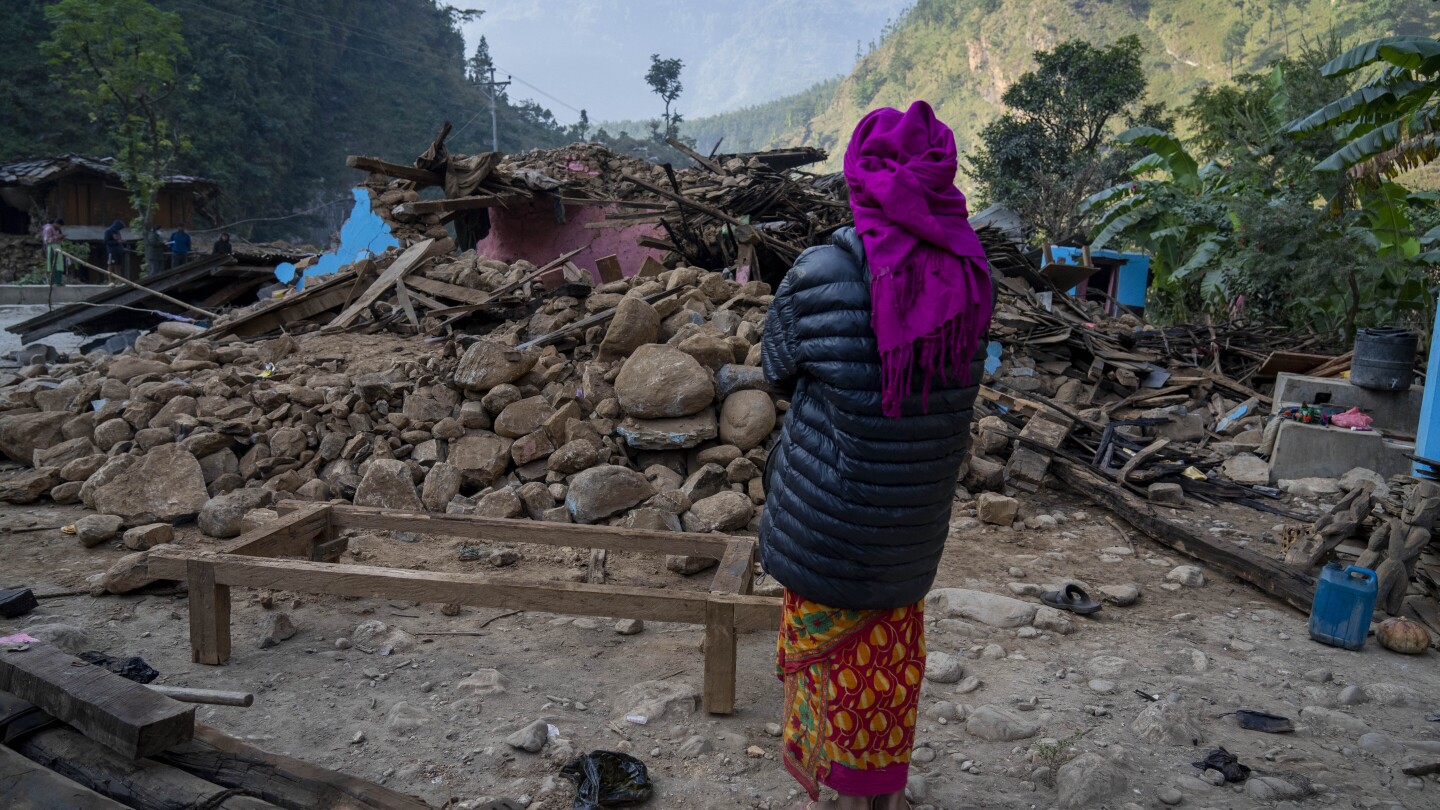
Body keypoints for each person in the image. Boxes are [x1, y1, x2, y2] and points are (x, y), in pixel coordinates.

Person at [760, 101, 993, 810]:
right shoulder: (974, 277)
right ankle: (878, 789)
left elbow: (776, 370)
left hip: (824, 520)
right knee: (885, 662)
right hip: (910, 528)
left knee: (828, 657)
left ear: (858, 177)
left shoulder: (817, 271)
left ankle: (829, 785)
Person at [41, 217, 65, 286]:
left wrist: (61, 237)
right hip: (52, 248)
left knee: (59, 265)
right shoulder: (48, 228)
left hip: (57, 247)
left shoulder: (55, 229)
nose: (60, 227)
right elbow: (46, 240)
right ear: (56, 224)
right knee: (54, 264)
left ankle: (58, 281)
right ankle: (54, 281)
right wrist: (58, 237)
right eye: (59, 225)